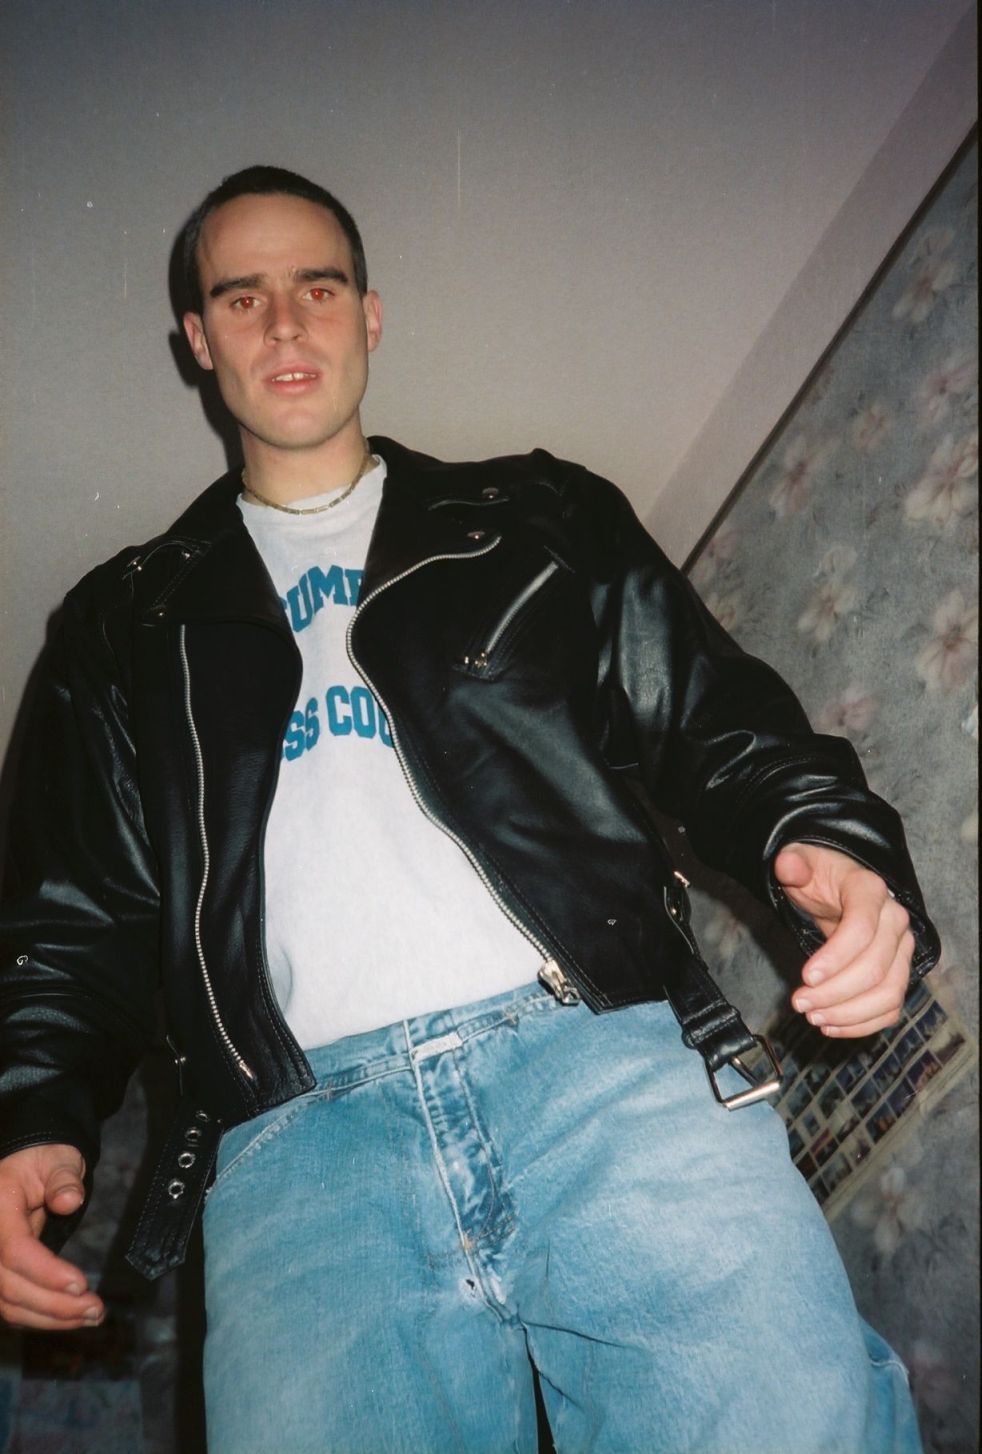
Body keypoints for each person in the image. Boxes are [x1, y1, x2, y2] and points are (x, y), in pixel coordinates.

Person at [0, 165, 939, 1453]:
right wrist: (30, 1114)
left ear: (370, 316)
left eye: (318, 285)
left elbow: (717, 718)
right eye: (243, 296)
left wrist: (827, 841)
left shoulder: (538, 517)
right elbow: (72, 917)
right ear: (199, 340)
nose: (286, 321)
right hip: (298, 1163)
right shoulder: (120, 626)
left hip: (606, 1070)